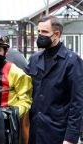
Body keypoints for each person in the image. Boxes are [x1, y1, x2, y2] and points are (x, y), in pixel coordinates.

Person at [25, 15, 83, 144]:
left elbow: (78, 102)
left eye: (45, 32)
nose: (40, 35)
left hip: (58, 133)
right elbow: (18, 80)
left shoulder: (72, 61)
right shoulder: (35, 59)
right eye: (39, 31)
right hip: (35, 130)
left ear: (57, 34)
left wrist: (70, 138)